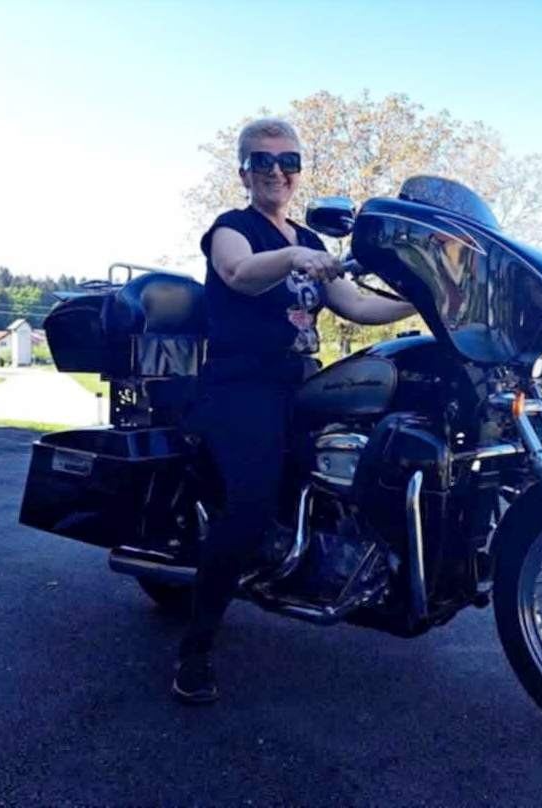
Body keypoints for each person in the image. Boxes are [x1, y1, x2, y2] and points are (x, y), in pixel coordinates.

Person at [172, 117, 414, 703]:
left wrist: (423, 301)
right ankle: (195, 652)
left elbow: (356, 304)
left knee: (366, 466)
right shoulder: (232, 228)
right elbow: (237, 273)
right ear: (244, 172)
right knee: (250, 506)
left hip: (301, 382)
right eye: (263, 161)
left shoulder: (310, 240)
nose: (277, 171)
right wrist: (293, 257)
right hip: (241, 384)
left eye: (289, 161)